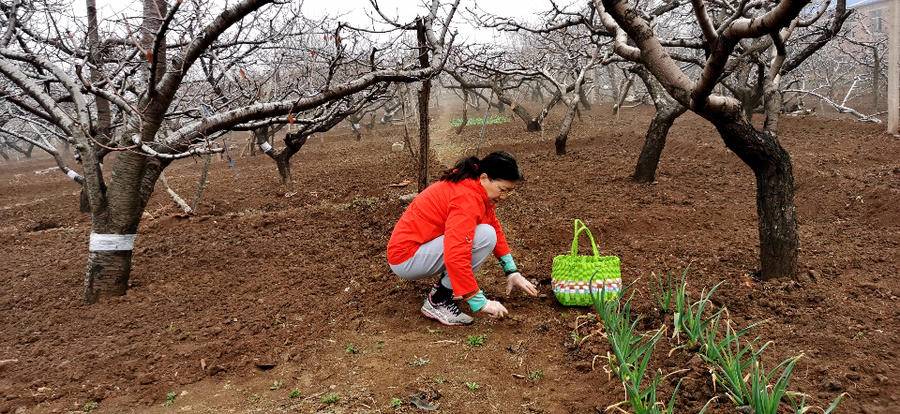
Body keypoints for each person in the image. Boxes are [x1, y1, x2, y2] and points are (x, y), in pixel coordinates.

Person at [387, 151, 538, 326]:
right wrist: (480, 302)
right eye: (502, 190)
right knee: (483, 237)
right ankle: (438, 301)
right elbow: (456, 254)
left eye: (509, 192)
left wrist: (512, 272)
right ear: (484, 178)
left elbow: (494, 226)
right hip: (406, 258)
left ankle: (449, 288)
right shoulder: (466, 198)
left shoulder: (473, 187)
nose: (503, 197)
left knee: (488, 233)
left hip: (420, 249)